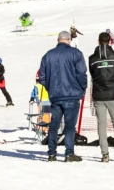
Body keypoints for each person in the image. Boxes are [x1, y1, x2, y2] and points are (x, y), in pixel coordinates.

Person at [37, 30, 88, 162]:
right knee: (70, 126)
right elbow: (81, 73)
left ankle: (52, 153)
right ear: (69, 40)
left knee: (54, 125)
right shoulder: (76, 53)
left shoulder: (48, 55)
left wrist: (50, 88)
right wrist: (82, 87)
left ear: (58, 40)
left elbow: (41, 77)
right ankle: (69, 153)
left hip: (55, 96)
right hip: (72, 95)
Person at [88, 29, 114, 163]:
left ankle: (105, 154)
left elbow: (93, 74)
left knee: (101, 124)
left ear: (98, 42)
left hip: (99, 95)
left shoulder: (92, 59)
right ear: (110, 41)